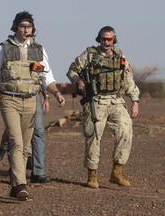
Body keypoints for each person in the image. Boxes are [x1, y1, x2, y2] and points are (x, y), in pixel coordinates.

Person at [0, 11, 65, 201]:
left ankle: (13, 184)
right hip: (9, 100)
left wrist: (57, 93)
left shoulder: (39, 50)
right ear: (15, 28)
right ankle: (20, 185)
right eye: (22, 26)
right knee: (16, 141)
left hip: (30, 101)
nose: (25, 29)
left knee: (26, 146)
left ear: (32, 29)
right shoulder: (4, 48)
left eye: (28, 26)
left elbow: (47, 77)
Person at [66, 26, 139, 189]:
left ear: (114, 40)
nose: (107, 42)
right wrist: (78, 80)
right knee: (94, 135)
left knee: (126, 131)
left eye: (110, 39)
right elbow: (71, 71)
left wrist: (135, 100)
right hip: (96, 101)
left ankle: (116, 173)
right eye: (104, 39)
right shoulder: (89, 54)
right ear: (99, 39)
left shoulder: (120, 56)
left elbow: (128, 79)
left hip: (116, 100)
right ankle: (92, 175)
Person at [0, 89, 51, 184]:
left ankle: (22, 176)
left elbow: (44, 77)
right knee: (14, 133)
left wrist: (46, 96)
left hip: (31, 97)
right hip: (11, 96)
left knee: (33, 133)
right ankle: (4, 148)